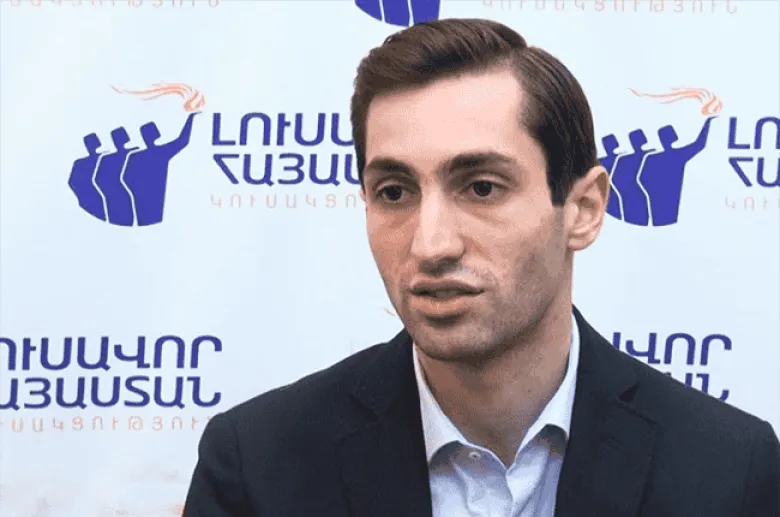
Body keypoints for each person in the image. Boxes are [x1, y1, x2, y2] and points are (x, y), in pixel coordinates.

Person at [182, 18, 779, 517]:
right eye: (394, 192)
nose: (431, 245)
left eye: (482, 187)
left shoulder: (728, 470)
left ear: (583, 209)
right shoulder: (256, 467)